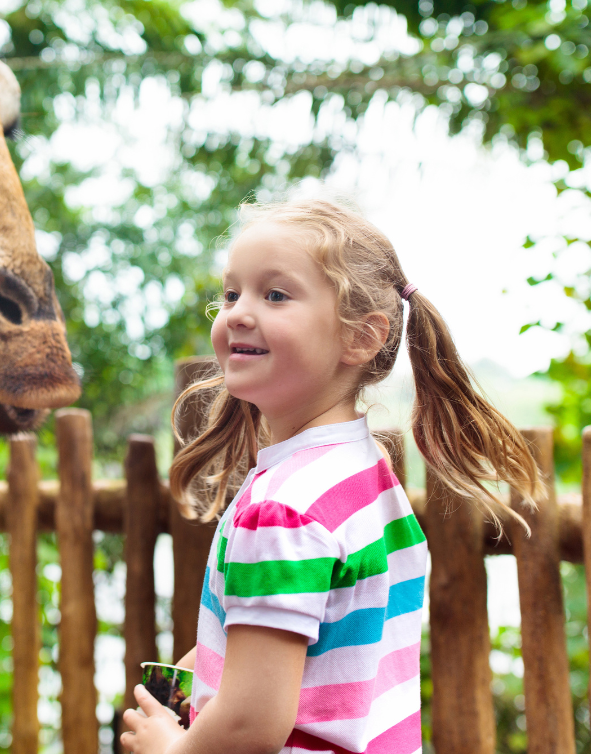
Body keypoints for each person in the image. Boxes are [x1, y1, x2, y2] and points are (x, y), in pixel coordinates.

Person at [120, 198, 541, 754]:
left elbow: (250, 728)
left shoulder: (283, 511)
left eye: (275, 294)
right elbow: (317, 632)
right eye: (231, 293)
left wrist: (167, 749)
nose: (238, 312)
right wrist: (208, 661)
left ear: (361, 338)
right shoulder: (364, 475)